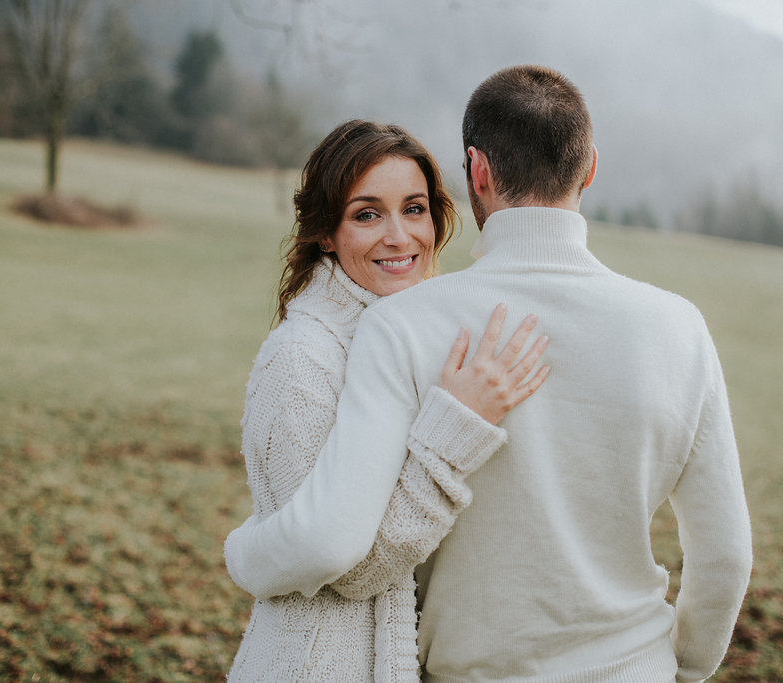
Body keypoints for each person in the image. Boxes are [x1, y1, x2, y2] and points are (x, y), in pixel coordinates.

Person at [225, 66, 753, 682]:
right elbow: (726, 556)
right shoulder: (680, 327)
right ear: (588, 169)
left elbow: (335, 538)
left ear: (476, 171)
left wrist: (243, 550)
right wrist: (680, 666)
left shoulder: (403, 324)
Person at [224, 119, 550, 681]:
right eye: (367, 214)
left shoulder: (415, 340)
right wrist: (455, 434)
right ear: (327, 232)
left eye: (415, 209)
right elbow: (344, 568)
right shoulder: (301, 358)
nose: (399, 236)